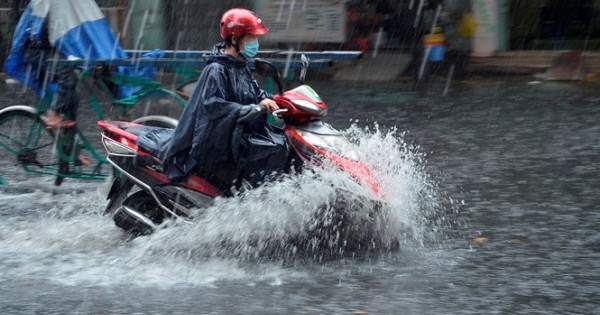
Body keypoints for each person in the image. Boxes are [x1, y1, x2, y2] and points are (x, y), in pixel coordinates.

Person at [157, 8, 288, 189]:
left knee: (282, 141)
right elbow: (215, 106)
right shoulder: (217, 69)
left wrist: (281, 101)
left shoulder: (240, 67)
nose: (256, 44)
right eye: (251, 39)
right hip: (218, 139)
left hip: (238, 132)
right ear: (234, 39)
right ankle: (252, 199)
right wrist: (256, 109)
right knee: (273, 148)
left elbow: (255, 93)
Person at [4, 0, 128, 130]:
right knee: (65, 69)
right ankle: (54, 114)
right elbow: (46, 24)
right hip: (35, 48)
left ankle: (68, 142)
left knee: (76, 91)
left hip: (52, 46)